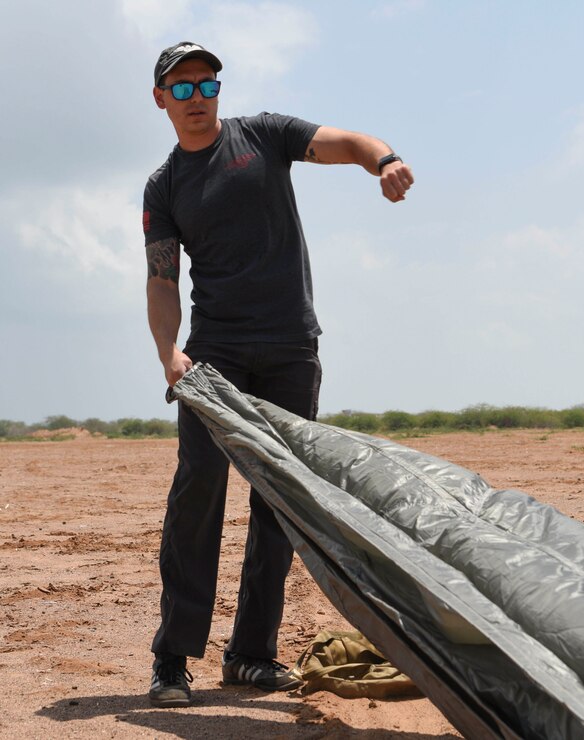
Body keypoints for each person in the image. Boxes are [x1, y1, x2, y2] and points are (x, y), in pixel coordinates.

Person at [143, 41, 413, 708]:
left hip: (292, 347)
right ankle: (173, 657)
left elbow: (348, 142)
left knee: (280, 502)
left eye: (207, 84)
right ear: (161, 100)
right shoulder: (165, 186)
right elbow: (162, 278)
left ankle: (251, 655)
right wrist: (168, 352)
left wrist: (385, 160)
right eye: (183, 87)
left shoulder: (263, 135)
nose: (198, 97)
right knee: (199, 491)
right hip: (215, 356)